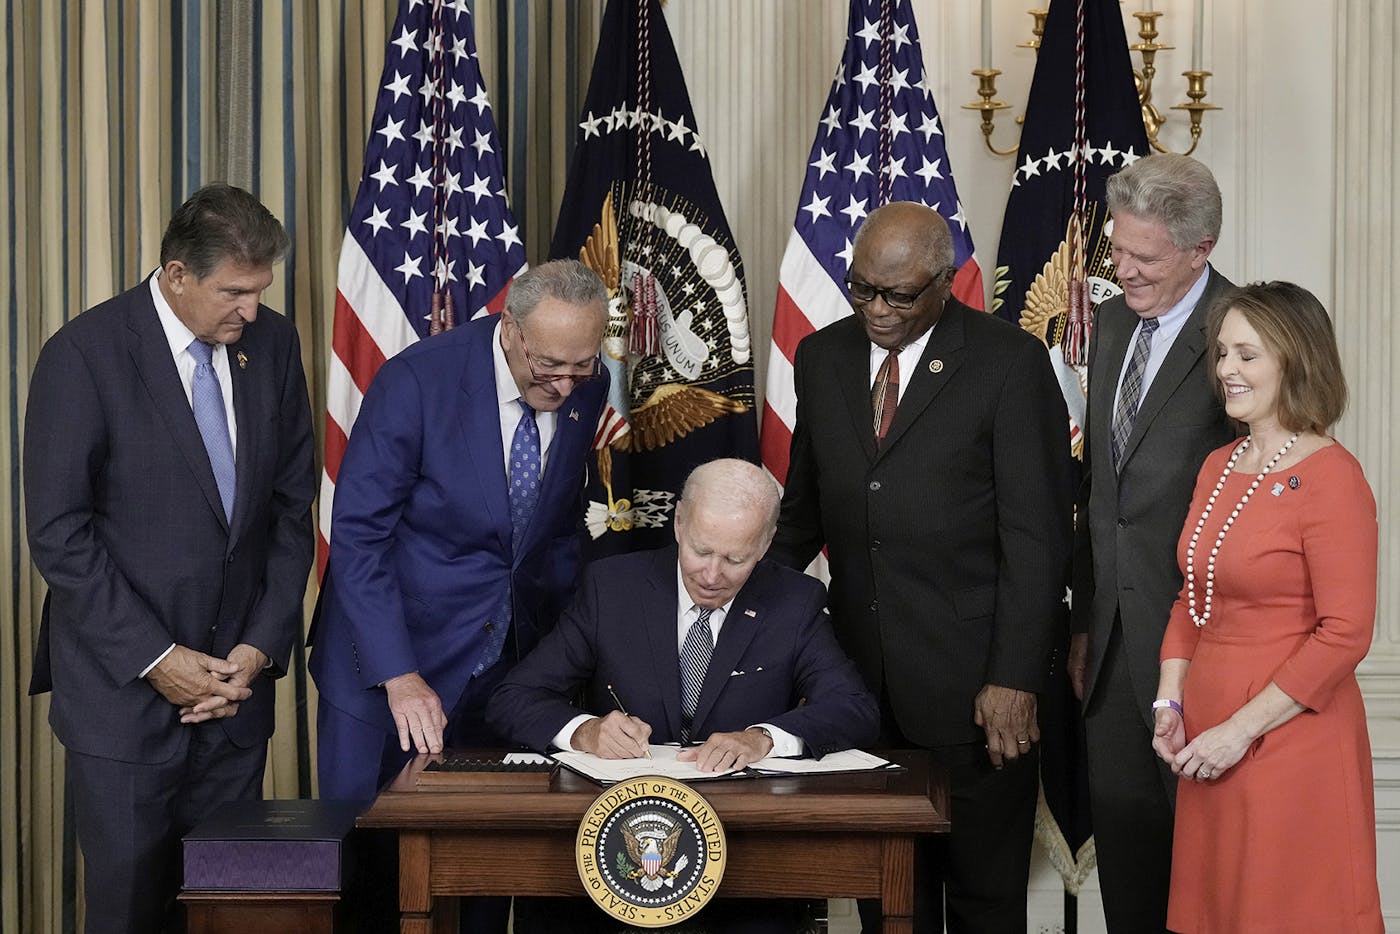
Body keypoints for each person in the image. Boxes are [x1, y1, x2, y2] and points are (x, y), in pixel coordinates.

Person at [769, 201, 1073, 934]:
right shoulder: (823, 356)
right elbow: (803, 514)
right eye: (862, 288)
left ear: (946, 282)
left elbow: (1036, 539)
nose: (877, 309)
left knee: (982, 899)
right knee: (888, 897)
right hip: (860, 685)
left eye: (898, 295)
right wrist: (735, 619)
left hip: (976, 687)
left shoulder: (1007, 361)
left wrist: (1014, 679)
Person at [24, 183, 315, 933]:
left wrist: (257, 649)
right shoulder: (84, 354)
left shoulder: (273, 344)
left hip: (235, 698)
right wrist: (159, 659)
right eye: (234, 292)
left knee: (227, 912)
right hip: (123, 705)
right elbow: (60, 532)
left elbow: (290, 512)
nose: (250, 311)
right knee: (128, 914)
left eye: (259, 291)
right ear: (177, 274)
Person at [490, 457, 879, 934]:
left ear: (764, 545)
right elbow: (514, 697)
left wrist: (763, 739)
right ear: (678, 523)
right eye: (701, 550)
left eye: (736, 559)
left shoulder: (794, 601)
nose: (712, 574)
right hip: (608, 854)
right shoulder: (611, 586)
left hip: (745, 863)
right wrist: (586, 731)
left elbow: (854, 708)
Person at [1151, 281, 1382, 932]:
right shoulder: (1218, 466)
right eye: (1222, 353)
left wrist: (1239, 730)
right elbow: (1192, 598)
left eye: (1247, 354)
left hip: (1289, 741)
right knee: (1216, 912)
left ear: (1295, 359)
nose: (1226, 370)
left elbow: (1345, 633)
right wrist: (1171, 701)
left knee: (1281, 912)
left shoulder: (1333, 477)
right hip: (1208, 740)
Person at [1066, 153, 1236, 933]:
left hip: (1206, 651)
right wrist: (1083, 622)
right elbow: (1100, 490)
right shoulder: (1109, 323)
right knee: (1130, 877)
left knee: (1208, 881)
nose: (1121, 271)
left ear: (1200, 250)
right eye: (1117, 248)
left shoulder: (1242, 333)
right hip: (1110, 647)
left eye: (1144, 257)